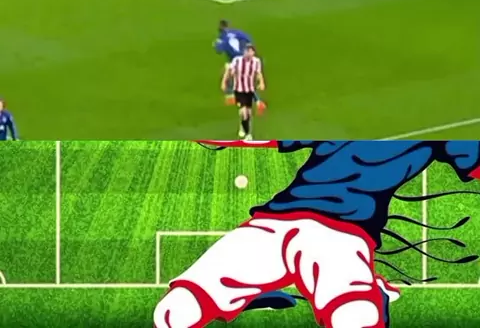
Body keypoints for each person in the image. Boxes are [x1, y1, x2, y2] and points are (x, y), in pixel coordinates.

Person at [153, 139, 480, 328]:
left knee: (354, 317)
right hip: (305, 228)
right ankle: (364, 290)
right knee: (173, 314)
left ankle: (366, 292)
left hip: (307, 230)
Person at [214, 21, 266, 113]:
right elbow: (249, 40)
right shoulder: (237, 32)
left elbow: (218, 50)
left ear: (220, 29)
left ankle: (255, 102)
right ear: (228, 26)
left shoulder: (222, 37)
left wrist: (216, 43)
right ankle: (232, 96)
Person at [221, 45, 265, 139]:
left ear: (253, 53)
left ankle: (243, 126)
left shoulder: (256, 61)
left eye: (250, 51)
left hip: (250, 90)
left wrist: (261, 82)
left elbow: (258, 73)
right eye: (246, 51)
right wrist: (224, 82)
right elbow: (229, 71)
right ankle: (248, 134)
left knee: (248, 113)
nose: (248, 53)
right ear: (244, 52)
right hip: (239, 90)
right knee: (244, 112)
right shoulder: (237, 60)